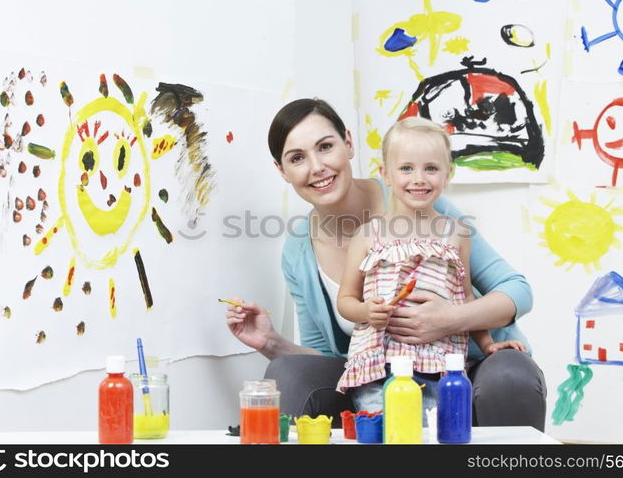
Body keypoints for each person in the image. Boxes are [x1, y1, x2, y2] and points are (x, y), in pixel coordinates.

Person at [225, 98, 547, 430]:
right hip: (376, 375)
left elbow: (517, 290)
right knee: (286, 372)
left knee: (509, 374)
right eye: (297, 158)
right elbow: (327, 357)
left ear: (348, 144)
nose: (317, 167)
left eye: (325, 147)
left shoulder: (418, 200)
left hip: (457, 364)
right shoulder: (299, 250)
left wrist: (449, 319)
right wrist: (271, 342)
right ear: (282, 170)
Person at [335, 117, 525, 417]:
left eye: (431, 168)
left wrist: (488, 344)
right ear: (385, 174)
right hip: (378, 372)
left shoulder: (457, 234)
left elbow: (465, 299)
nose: (419, 178)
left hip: (439, 368)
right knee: (388, 435)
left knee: (436, 434)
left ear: (447, 175)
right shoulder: (367, 235)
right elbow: (345, 300)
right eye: (406, 168)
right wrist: (365, 311)